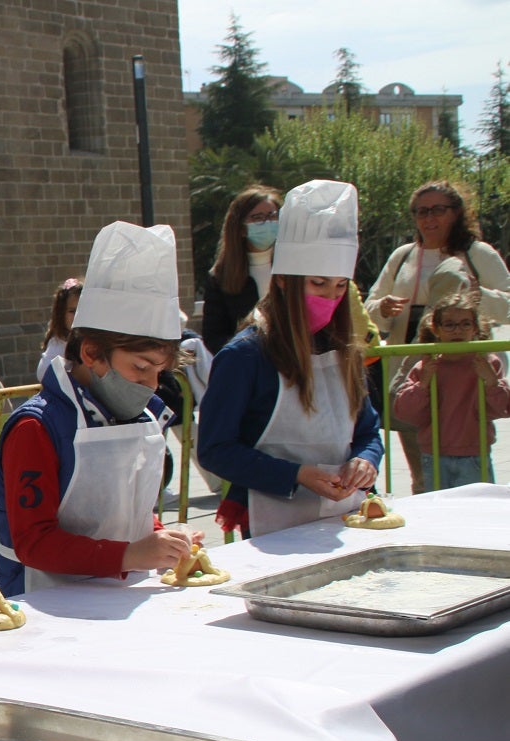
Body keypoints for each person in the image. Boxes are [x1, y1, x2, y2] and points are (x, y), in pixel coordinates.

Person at [0, 222, 195, 595]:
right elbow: (33, 541)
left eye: (160, 372)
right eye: (141, 368)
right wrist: (130, 555)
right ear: (91, 353)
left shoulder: (140, 416)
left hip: (119, 592)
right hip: (41, 600)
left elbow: (125, 512)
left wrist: (162, 538)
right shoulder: (35, 428)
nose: (152, 386)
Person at [198, 180, 383, 539]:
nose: (330, 297)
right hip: (270, 521)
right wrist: (296, 475)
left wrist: (366, 460)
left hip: (345, 516)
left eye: (340, 286)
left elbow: (367, 430)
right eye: (318, 284)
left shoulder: (343, 350)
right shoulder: (244, 356)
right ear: (283, 281)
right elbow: (216, 449)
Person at [365, 180, 510, 492]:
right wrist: (383, 308)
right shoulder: (403, 256)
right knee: (423, 476)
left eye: (437, 210)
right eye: (421, 211)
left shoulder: (478, 254)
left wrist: (477, 294)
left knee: (468, 475)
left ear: (456, 213)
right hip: (416, 373)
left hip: (466, 382)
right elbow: (369, 311)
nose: (428, 218)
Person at [391, 269, 510, 490]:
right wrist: (423, 384)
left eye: (465, 324)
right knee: (439, 508)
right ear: (436, 329)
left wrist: (492, 382)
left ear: (475, 328)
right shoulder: (427, 364)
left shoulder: (487, 363)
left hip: (475, 454)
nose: (458, 331)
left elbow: (503, 409)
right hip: (434, 454)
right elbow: (405, 413)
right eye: (450, 325)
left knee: (475, 507)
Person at [201, 186, 282, 355]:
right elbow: (214, 336)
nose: (267, 222)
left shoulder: (293, 267)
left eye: (272, 216)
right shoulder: (220, 278)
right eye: (258, 218)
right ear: (241, 228)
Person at [36, 277, 83, 382]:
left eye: (83, 310)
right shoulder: (58, 344)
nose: (78, 315)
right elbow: (43, 374)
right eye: (72, 311)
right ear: (61, 314)